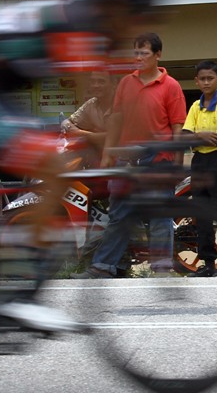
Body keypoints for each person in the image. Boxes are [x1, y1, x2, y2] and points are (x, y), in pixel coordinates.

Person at [0, 0, 163, 328]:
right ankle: (19, 296)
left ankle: (19, 288)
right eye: (137, 15)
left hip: (0, 91)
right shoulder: (82, 25)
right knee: (53, 168)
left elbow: (113, 113)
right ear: (119, 6)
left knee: (49, 166)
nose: (136, 26)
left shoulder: (88, 21)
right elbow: (103, 103)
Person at [73, 33, 187, 279]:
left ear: (158, 55)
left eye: (144, 53)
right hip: (125, 160)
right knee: (119, 215)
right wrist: (107, 157)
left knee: (160, 216)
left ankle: (161, 270)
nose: (138, 58)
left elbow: (177, 126)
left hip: (157, 160)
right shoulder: (126, 83)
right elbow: (116, 120)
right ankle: (103, 267)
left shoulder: (171, 86)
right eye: (135, 53)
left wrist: (176, 162)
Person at [182, 60, 217, 277]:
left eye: (210, 78)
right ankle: (208, 263)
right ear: (196, 81)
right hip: (199, 163)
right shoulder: (195, 106)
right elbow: (185, 137)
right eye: (202, 79)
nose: (206, 82)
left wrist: (198, 137)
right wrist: (202, 136)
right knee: (201, 214)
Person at [61, 70, 115, 166]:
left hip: (122, 160)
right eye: (93, 81)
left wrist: (87, 136)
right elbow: (66, 123)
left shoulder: (122, 104)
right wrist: (90, 135)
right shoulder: (91, 104)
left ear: (113, 84)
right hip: (98, 159)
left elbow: (118, 137)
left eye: (101, 81)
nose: (96, 85)